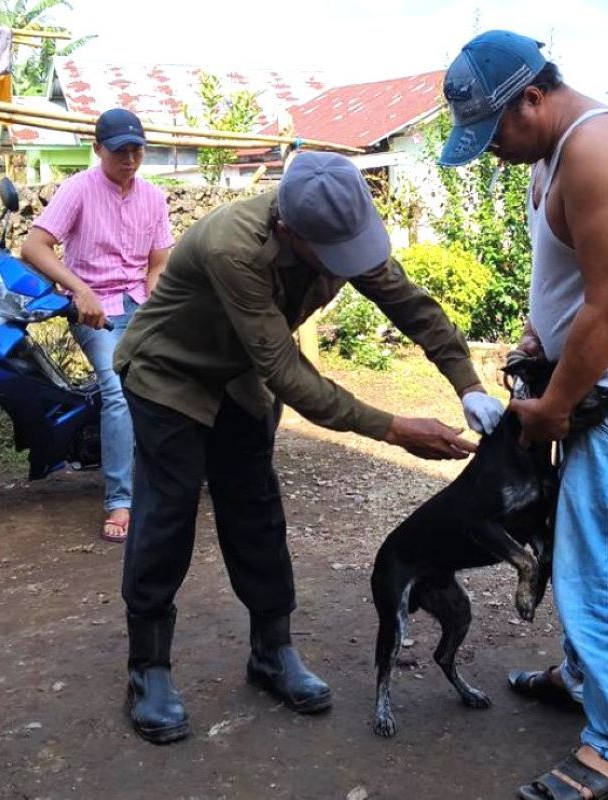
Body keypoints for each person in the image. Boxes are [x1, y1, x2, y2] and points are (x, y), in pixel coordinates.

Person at [111, 150, 506, 744]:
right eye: (332, 255)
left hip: (238, 380)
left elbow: (410, 305)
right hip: (170, 376)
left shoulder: (339, 230)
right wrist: (394, 428)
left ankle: (272, 652)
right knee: (167, 517)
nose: (348, 265)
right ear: (289, 231)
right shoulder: (232, 247)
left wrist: (468, 384)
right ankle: (148, 669)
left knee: (258, 513)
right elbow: (287, 373)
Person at [439, 30, 608, 799]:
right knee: (578, 552)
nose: (491, 151)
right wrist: (541, 335)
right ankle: (581, 675)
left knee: (604, 577)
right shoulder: (548, 152)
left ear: (534, 96)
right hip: (603, 402)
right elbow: (575, 276)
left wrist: (553, 406)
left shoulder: (597, 153)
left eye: (495, 133)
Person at [22, 108, 174, 544]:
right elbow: (35, 245)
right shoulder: (79, 189)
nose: (129, 159)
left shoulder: (153, 197)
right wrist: (79, 289)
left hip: (140, 305)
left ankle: (177, 474)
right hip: (94, 309)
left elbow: (159, 263)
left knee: (177, 377)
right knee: (118, 388)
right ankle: (121, 500)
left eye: (137, 150)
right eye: (119, 151)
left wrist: (158, 304)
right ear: (97, 149)